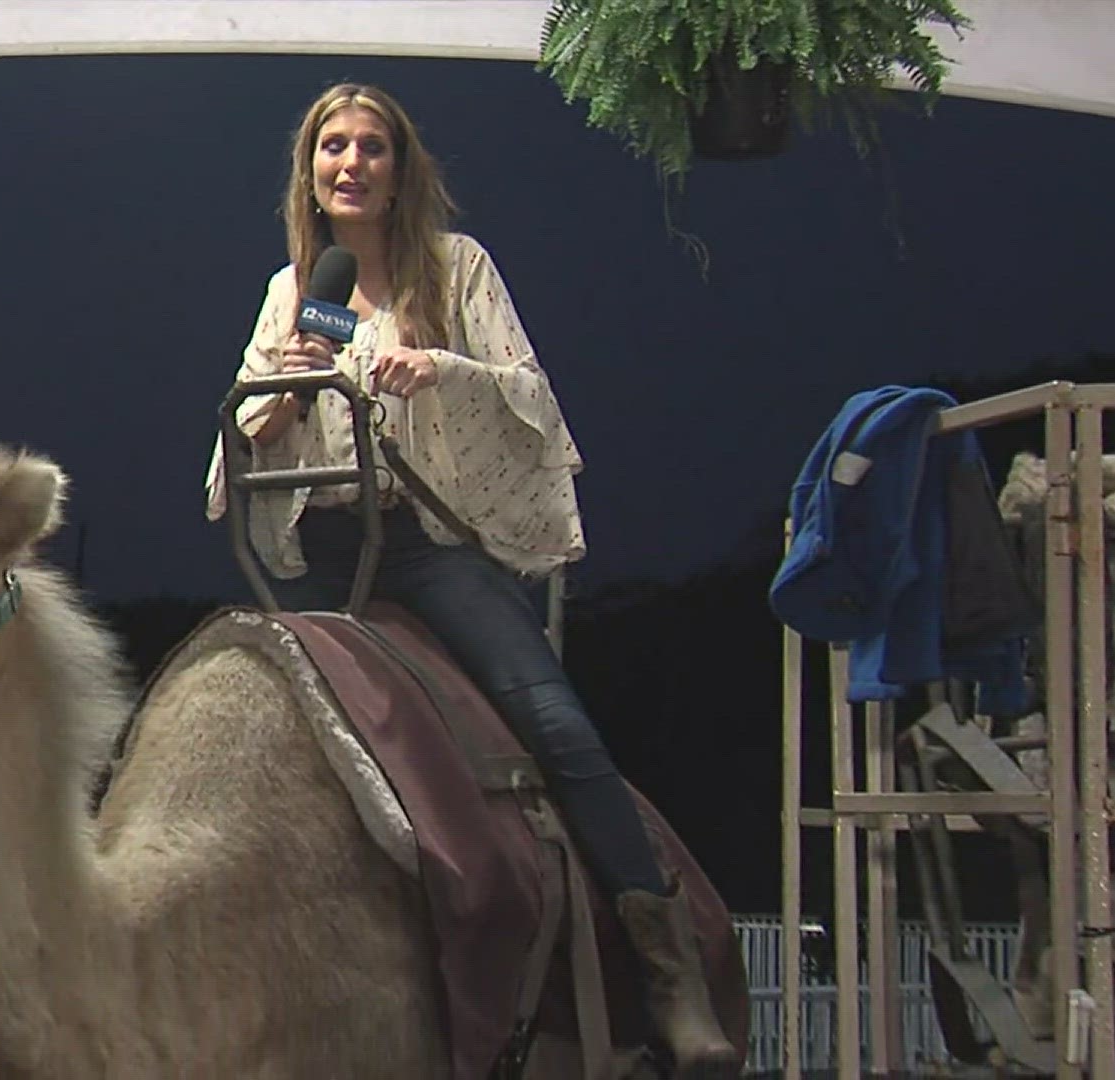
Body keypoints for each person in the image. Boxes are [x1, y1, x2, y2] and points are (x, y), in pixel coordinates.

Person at [203, 82, 736, 1074]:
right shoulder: (292, 287)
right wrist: (277, 397)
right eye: (332, 147)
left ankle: (668, 970)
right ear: (309, 171)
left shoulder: (457, 269)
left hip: (425, 541)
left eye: (371, 147)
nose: (350, 164)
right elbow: (239, 439)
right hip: (321, 542)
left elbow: (530, 395)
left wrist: (438, 368)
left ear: (400, 169)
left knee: (556, 722)